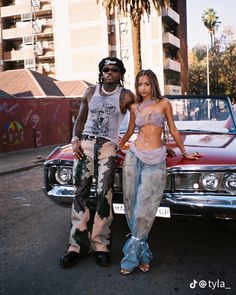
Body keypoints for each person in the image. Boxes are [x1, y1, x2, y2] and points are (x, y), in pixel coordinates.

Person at [118, 69, 199, 275]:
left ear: (153, 84)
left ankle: (131, 257)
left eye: (146, 83)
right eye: (139, 84)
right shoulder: (135, 107)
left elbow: (173, 129)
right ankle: (143, 254)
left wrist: (184, 151)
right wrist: (118, 145)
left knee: (145, 207)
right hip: (134, 156)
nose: (142, 88)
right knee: (131, 203)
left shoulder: (164, 104)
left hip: (155, 158)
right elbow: (129, 132)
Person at [59, 57, 135, 268]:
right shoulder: (90, 92)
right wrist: (75, 140)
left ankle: (100, 246)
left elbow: (142, 117)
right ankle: (76, 246)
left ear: (121, 73)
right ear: (100, 72)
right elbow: (80, 120)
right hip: (85, 146)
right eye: (106, 69)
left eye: (114, 69)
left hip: (108, 148)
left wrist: (153, 140)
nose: (109, 72)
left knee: (104, 194)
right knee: (80, 193)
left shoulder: (126, 95)